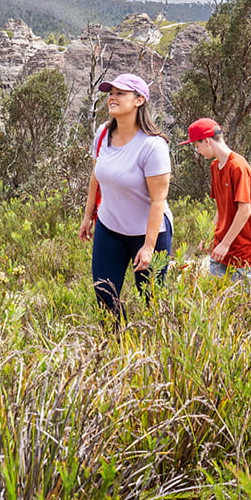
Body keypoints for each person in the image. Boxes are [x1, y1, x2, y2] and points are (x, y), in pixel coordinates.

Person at [78, 73, 173, 320]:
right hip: (109, 227)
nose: (112, 98)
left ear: (139, 100)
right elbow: (96, 177)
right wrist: (88, 216)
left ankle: (155, 350)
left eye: (120, 93)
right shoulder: (102, 134)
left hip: (148, 233)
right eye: (111, 93)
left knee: (153, 300)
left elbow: (158, 200)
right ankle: (115, 347)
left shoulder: (152, 146)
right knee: (105, 296)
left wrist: (149, 247)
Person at [180, 118, 251, 283]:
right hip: (220, 249)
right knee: (216, 300)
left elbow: (245, 210)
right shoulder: (215, 167)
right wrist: (208, 237)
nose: (197, 151)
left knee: (242, 305)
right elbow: (221, 208)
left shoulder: (238, 166)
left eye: (197, 146)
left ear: (206, 141)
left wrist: (225, 243)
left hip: (244, 251)